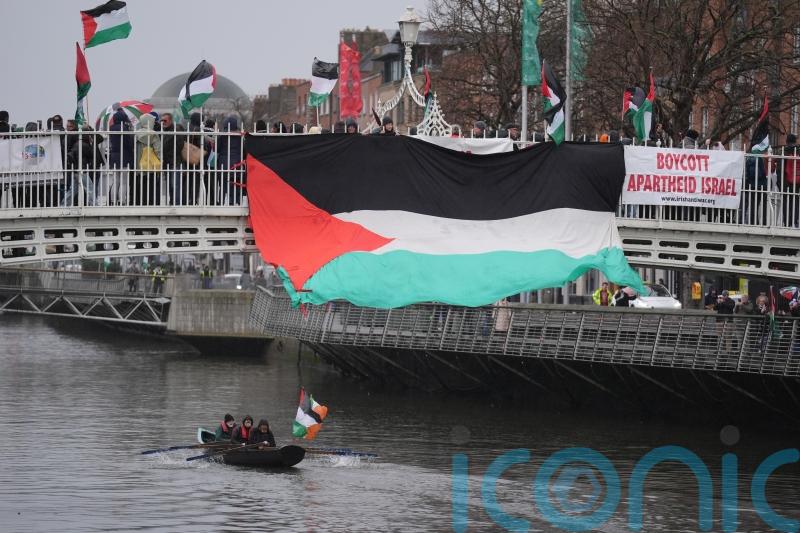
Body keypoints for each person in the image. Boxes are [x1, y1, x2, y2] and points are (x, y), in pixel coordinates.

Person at [783, 134, 799, 228]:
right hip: (797, 182)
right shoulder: (798, 151)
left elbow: (780, 170)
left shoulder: (784, 152)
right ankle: (795, 221)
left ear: (787, 141)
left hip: (785, 182)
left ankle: (787, 222)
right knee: (795, 201)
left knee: (786, 202)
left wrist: (780, 184)